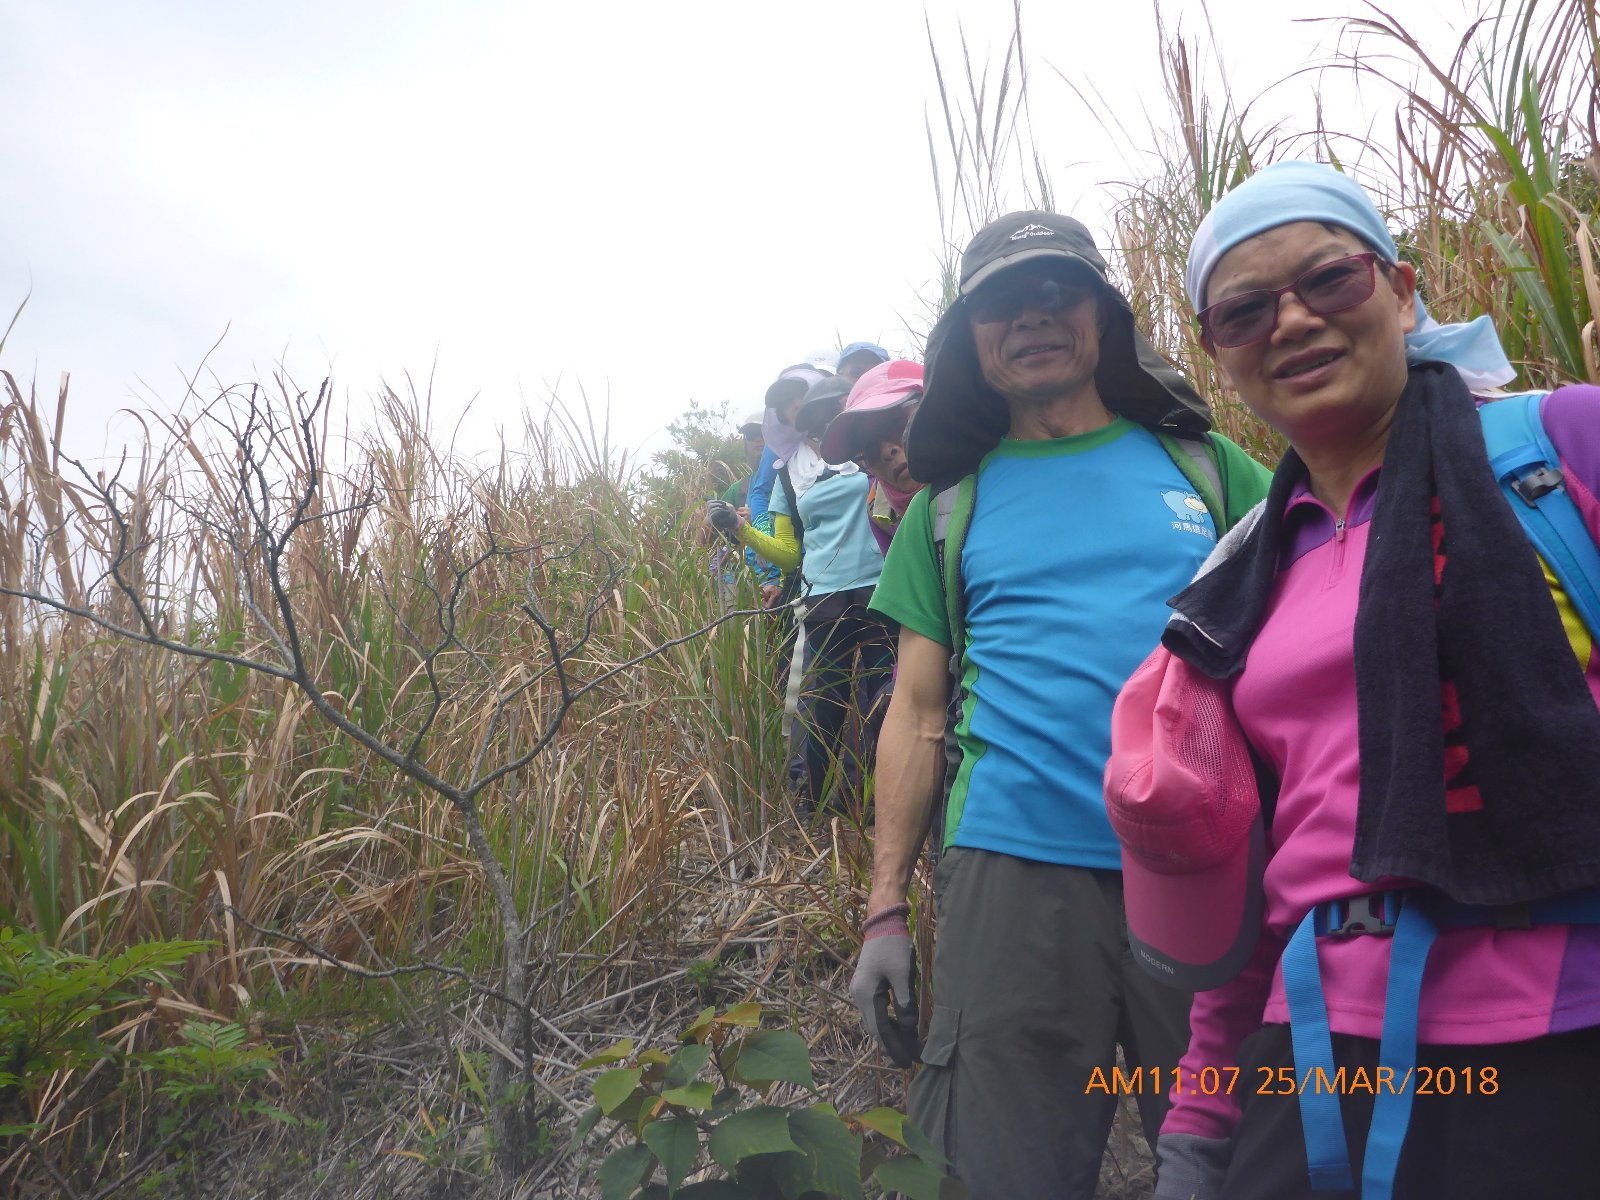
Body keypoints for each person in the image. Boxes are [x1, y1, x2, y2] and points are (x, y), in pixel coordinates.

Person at [1109, 161, 1600, 1200]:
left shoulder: (1560, 449)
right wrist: (1198, 1121)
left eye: (1329, 279)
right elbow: (1248, 876)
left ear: (1401, 290)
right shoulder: (1239, 576)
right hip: (1311, 1052)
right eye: (1245, 311)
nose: (1291, 321)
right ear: (1218, 353)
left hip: (1561, 1025)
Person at [849, 210, 1272, 1199]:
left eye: (1057, 291)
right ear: (969, 339)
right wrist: (884, 909)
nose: (1032, 316)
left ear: (1102, 315)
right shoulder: (947, 508)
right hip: (1012, 873)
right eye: (1001, 301)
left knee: (1245, 1157)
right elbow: (916, 715)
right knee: (999, 1168)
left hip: (1207, 861)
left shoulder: (1209, 468)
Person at [727, 376, 895, 814]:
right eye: (797, 409)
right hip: (823, 597)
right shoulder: (788, 476)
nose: (813, 418)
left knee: (884, 697)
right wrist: (742, 530)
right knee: (824, 703)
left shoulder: (868, 451)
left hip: (882, 587)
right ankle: (813, 802)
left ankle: (868, 799)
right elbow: (788, 554)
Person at [821, 358, 926, 553]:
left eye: (896, 424)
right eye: (869, 447)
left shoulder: (985, 475)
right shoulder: (881, 514)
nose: (886, 452)